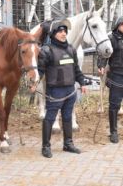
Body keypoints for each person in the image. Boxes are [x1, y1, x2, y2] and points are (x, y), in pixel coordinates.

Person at [36, 19, 87, 158]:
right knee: (50, 118)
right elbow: (40, 71)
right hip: (55, 91)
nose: (63, 34)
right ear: (53, 34)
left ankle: (68, 144)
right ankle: (45, 146)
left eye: (65, 31)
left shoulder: (71, 49)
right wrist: (34, 82)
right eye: (60, 31)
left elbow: (76, 69)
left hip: (70, 90)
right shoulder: (46, 50)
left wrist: (82, 83)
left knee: (67, 117)